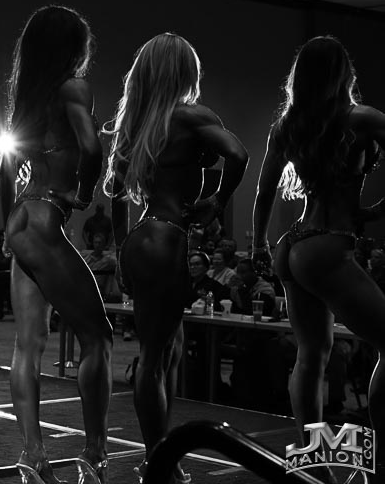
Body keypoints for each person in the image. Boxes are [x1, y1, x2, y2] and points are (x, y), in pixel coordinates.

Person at [104, 33, 248, 483]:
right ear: (185, 72)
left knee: (167, 353)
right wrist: (219, 201)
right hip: (167, 239)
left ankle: (160, 457)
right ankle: (159, 462)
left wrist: (120, 250)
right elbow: (238, 154)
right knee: (154, 358)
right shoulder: (190, 116)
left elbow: (116, 198)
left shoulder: (137, 124)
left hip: (144, 238)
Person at [251, 35, 385, 478]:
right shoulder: (360, 118)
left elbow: (264, 191)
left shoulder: (288, 125)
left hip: (292, 244)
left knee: (312, 355)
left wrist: (257, 245)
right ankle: (381, 460)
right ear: (344, 73)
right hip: (328, 244)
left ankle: (315, 469)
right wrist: (378, 210)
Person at [0, 5, 111, 484]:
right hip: (47, 219)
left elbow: (5, 166)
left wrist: (7, 227)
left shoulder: (27, 99)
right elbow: (92, 147)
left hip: (23, 217)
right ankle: (95, 453)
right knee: (98, 337)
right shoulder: (73, 88)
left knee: (28, 345)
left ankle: (32, 454)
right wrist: (85, 192)